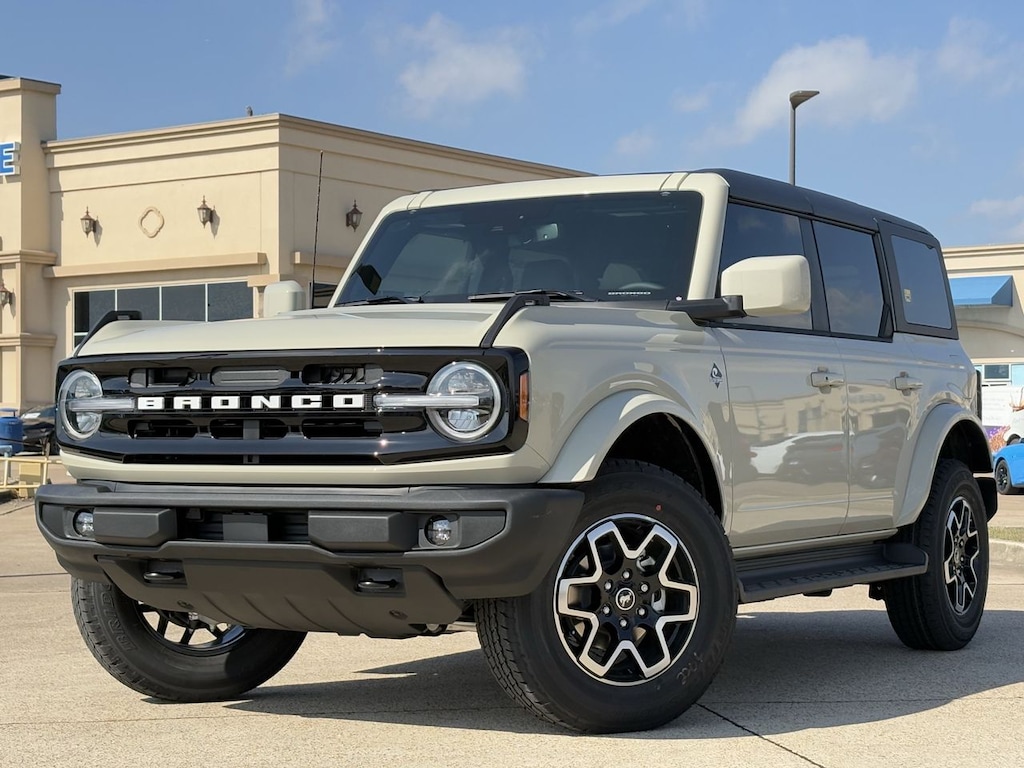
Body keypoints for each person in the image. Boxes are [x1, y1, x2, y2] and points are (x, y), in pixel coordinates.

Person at [436, 232, 512, 295]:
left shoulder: (504, 272)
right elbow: (441, 291)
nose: (481, 251)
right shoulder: (462, 267)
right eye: (477, 247)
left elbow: (504, 299)